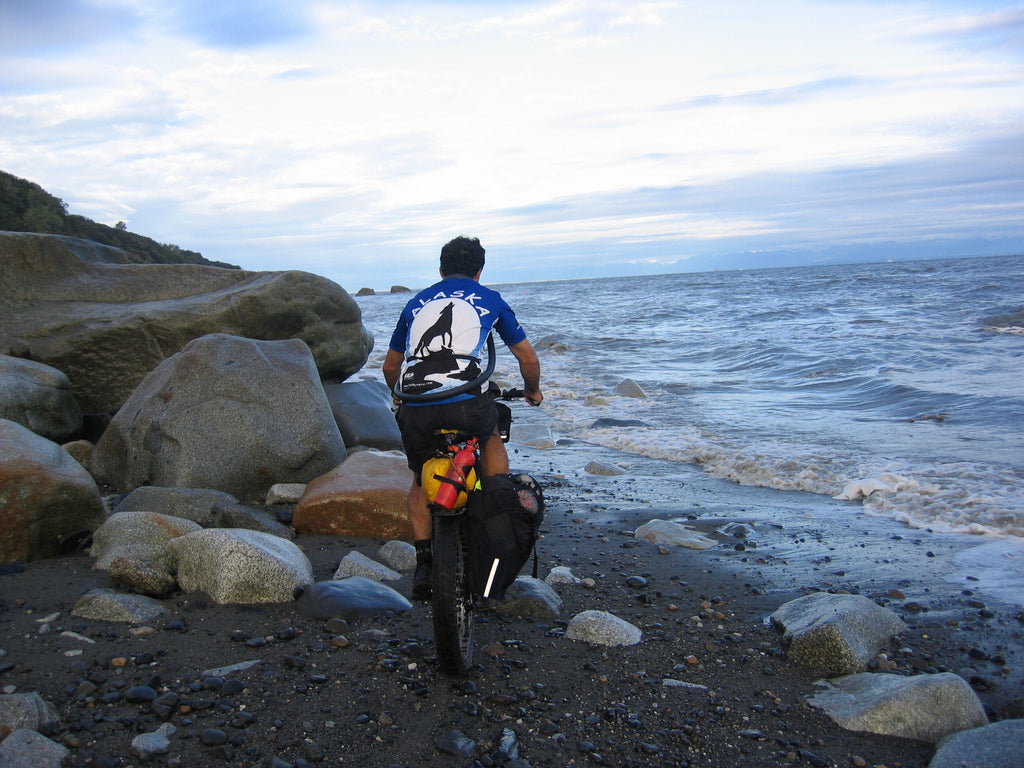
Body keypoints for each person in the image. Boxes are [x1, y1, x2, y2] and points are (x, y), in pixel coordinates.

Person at [382, 236, 542, 600]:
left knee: (420, 480)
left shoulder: (416, 303)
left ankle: (423, 561)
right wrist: (532, 390)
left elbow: (391, 366)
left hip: (414, 400)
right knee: (490, 437)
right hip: (466, 400)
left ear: (440, 270)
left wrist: (400, 396)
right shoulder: (490, 299)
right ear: (480, 271)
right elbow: (528, 359)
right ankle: (494, 503)